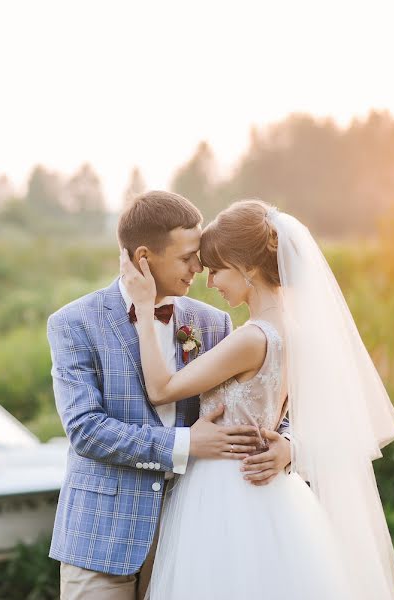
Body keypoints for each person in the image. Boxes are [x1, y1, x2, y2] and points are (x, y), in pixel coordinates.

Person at [121, 199, 394, 600]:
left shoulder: (253, 337)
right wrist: (290, 448)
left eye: (217, 269)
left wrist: (145, 309)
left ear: (248, 268)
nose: (210, 280)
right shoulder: (298, 332)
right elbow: (333, 422)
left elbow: (162, 389)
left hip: (225, 489)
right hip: (273, 491)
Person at [47, 191, 293, 600]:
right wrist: (185, 443)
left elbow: (261, 397)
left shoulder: (213, 323)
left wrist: (288, 444)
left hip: (194, 531)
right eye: (187, 258)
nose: (200, 268)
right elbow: (85, 430)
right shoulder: (74, 323)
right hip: (102, 536)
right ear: (144, 258)